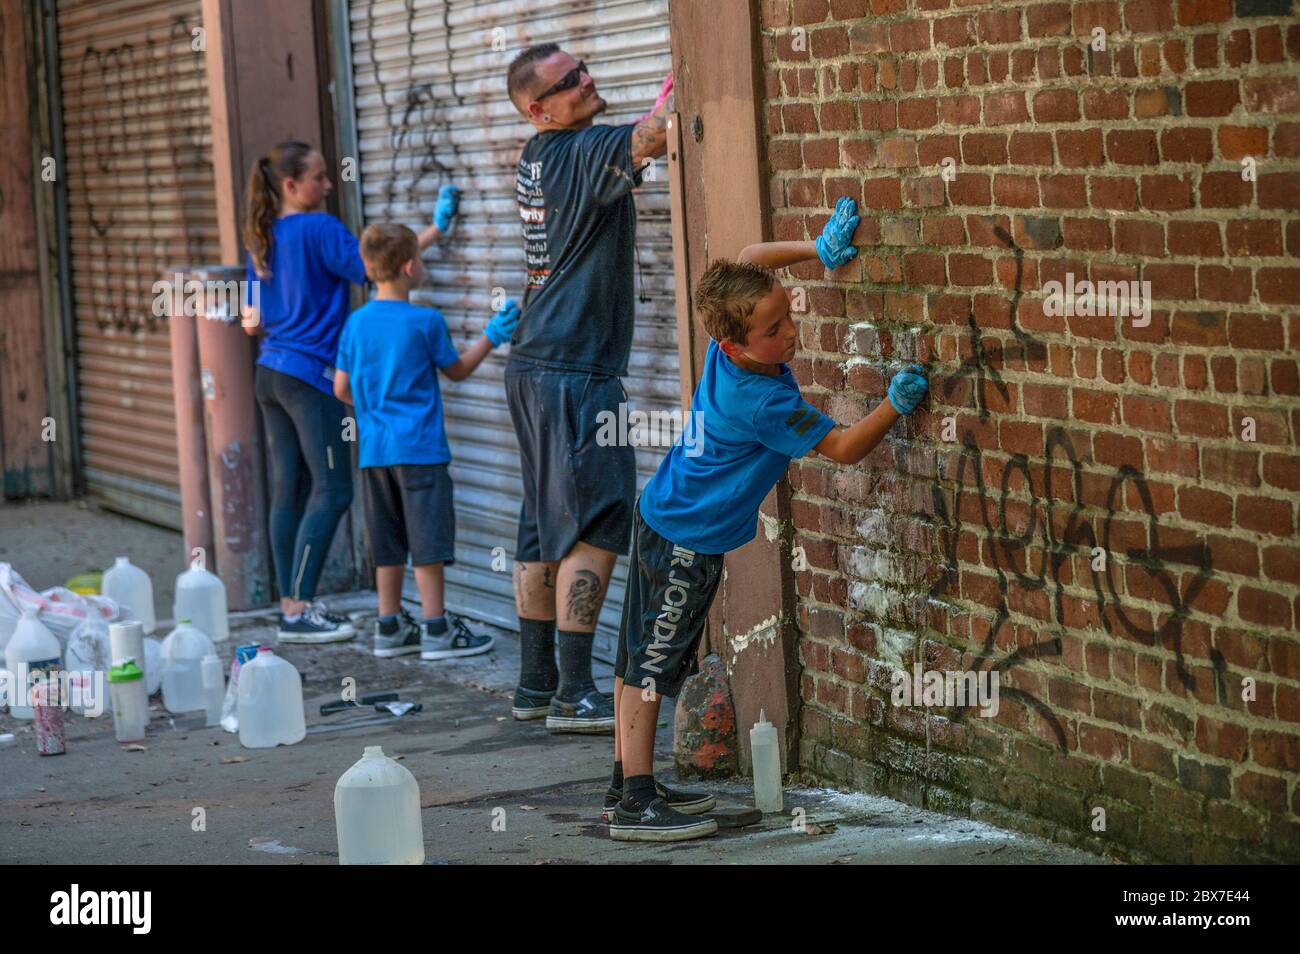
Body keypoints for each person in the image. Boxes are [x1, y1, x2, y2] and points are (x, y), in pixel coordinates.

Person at [605, 197, 931, 842]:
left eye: (786, 316)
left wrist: (817, 249)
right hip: (684, 540)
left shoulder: (725, 351)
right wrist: (894, 404)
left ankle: (628, 782)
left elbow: (751, 259)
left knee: (635, 658)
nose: (790, 332)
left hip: (661, 510)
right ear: (735, 341)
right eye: (775, 329)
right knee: (653, 667)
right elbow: (841, 448)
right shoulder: (762, 401)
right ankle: (636, 804)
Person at [502, 46, 674, 732]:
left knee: (545, 524)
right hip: (575, 371)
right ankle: (575, 692)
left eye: (584, 68)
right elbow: (651, 138)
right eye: (568, 81)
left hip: (535, 367)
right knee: (599, 520)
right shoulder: (578, 152)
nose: (586, 80)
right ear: (540, 108)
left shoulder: (537, 156)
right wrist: (681, 87)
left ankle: (535, 684)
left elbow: (630, 145)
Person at [241, 139, 460, 642]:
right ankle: (298, 610)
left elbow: (251, 323)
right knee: (334, 487)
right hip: (310, 377)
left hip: (269, 373)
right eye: (318, 176)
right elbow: (379, 269)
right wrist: (433, 230)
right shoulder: (319, 227)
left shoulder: (261, 235)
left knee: (288, 492)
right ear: (292, 186)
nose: (328, 184)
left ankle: (290, 605)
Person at [333, 224, 521, 659]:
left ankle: (389, 626)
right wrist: (492, 336)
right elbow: (456, 371)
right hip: (419, 451)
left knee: (387, 542)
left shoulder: (355, 324)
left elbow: (342, 389)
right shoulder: (425, 321)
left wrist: (372, 402)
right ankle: (436, 629)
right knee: (427, 543)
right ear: (409, 267)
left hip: (374, 454)